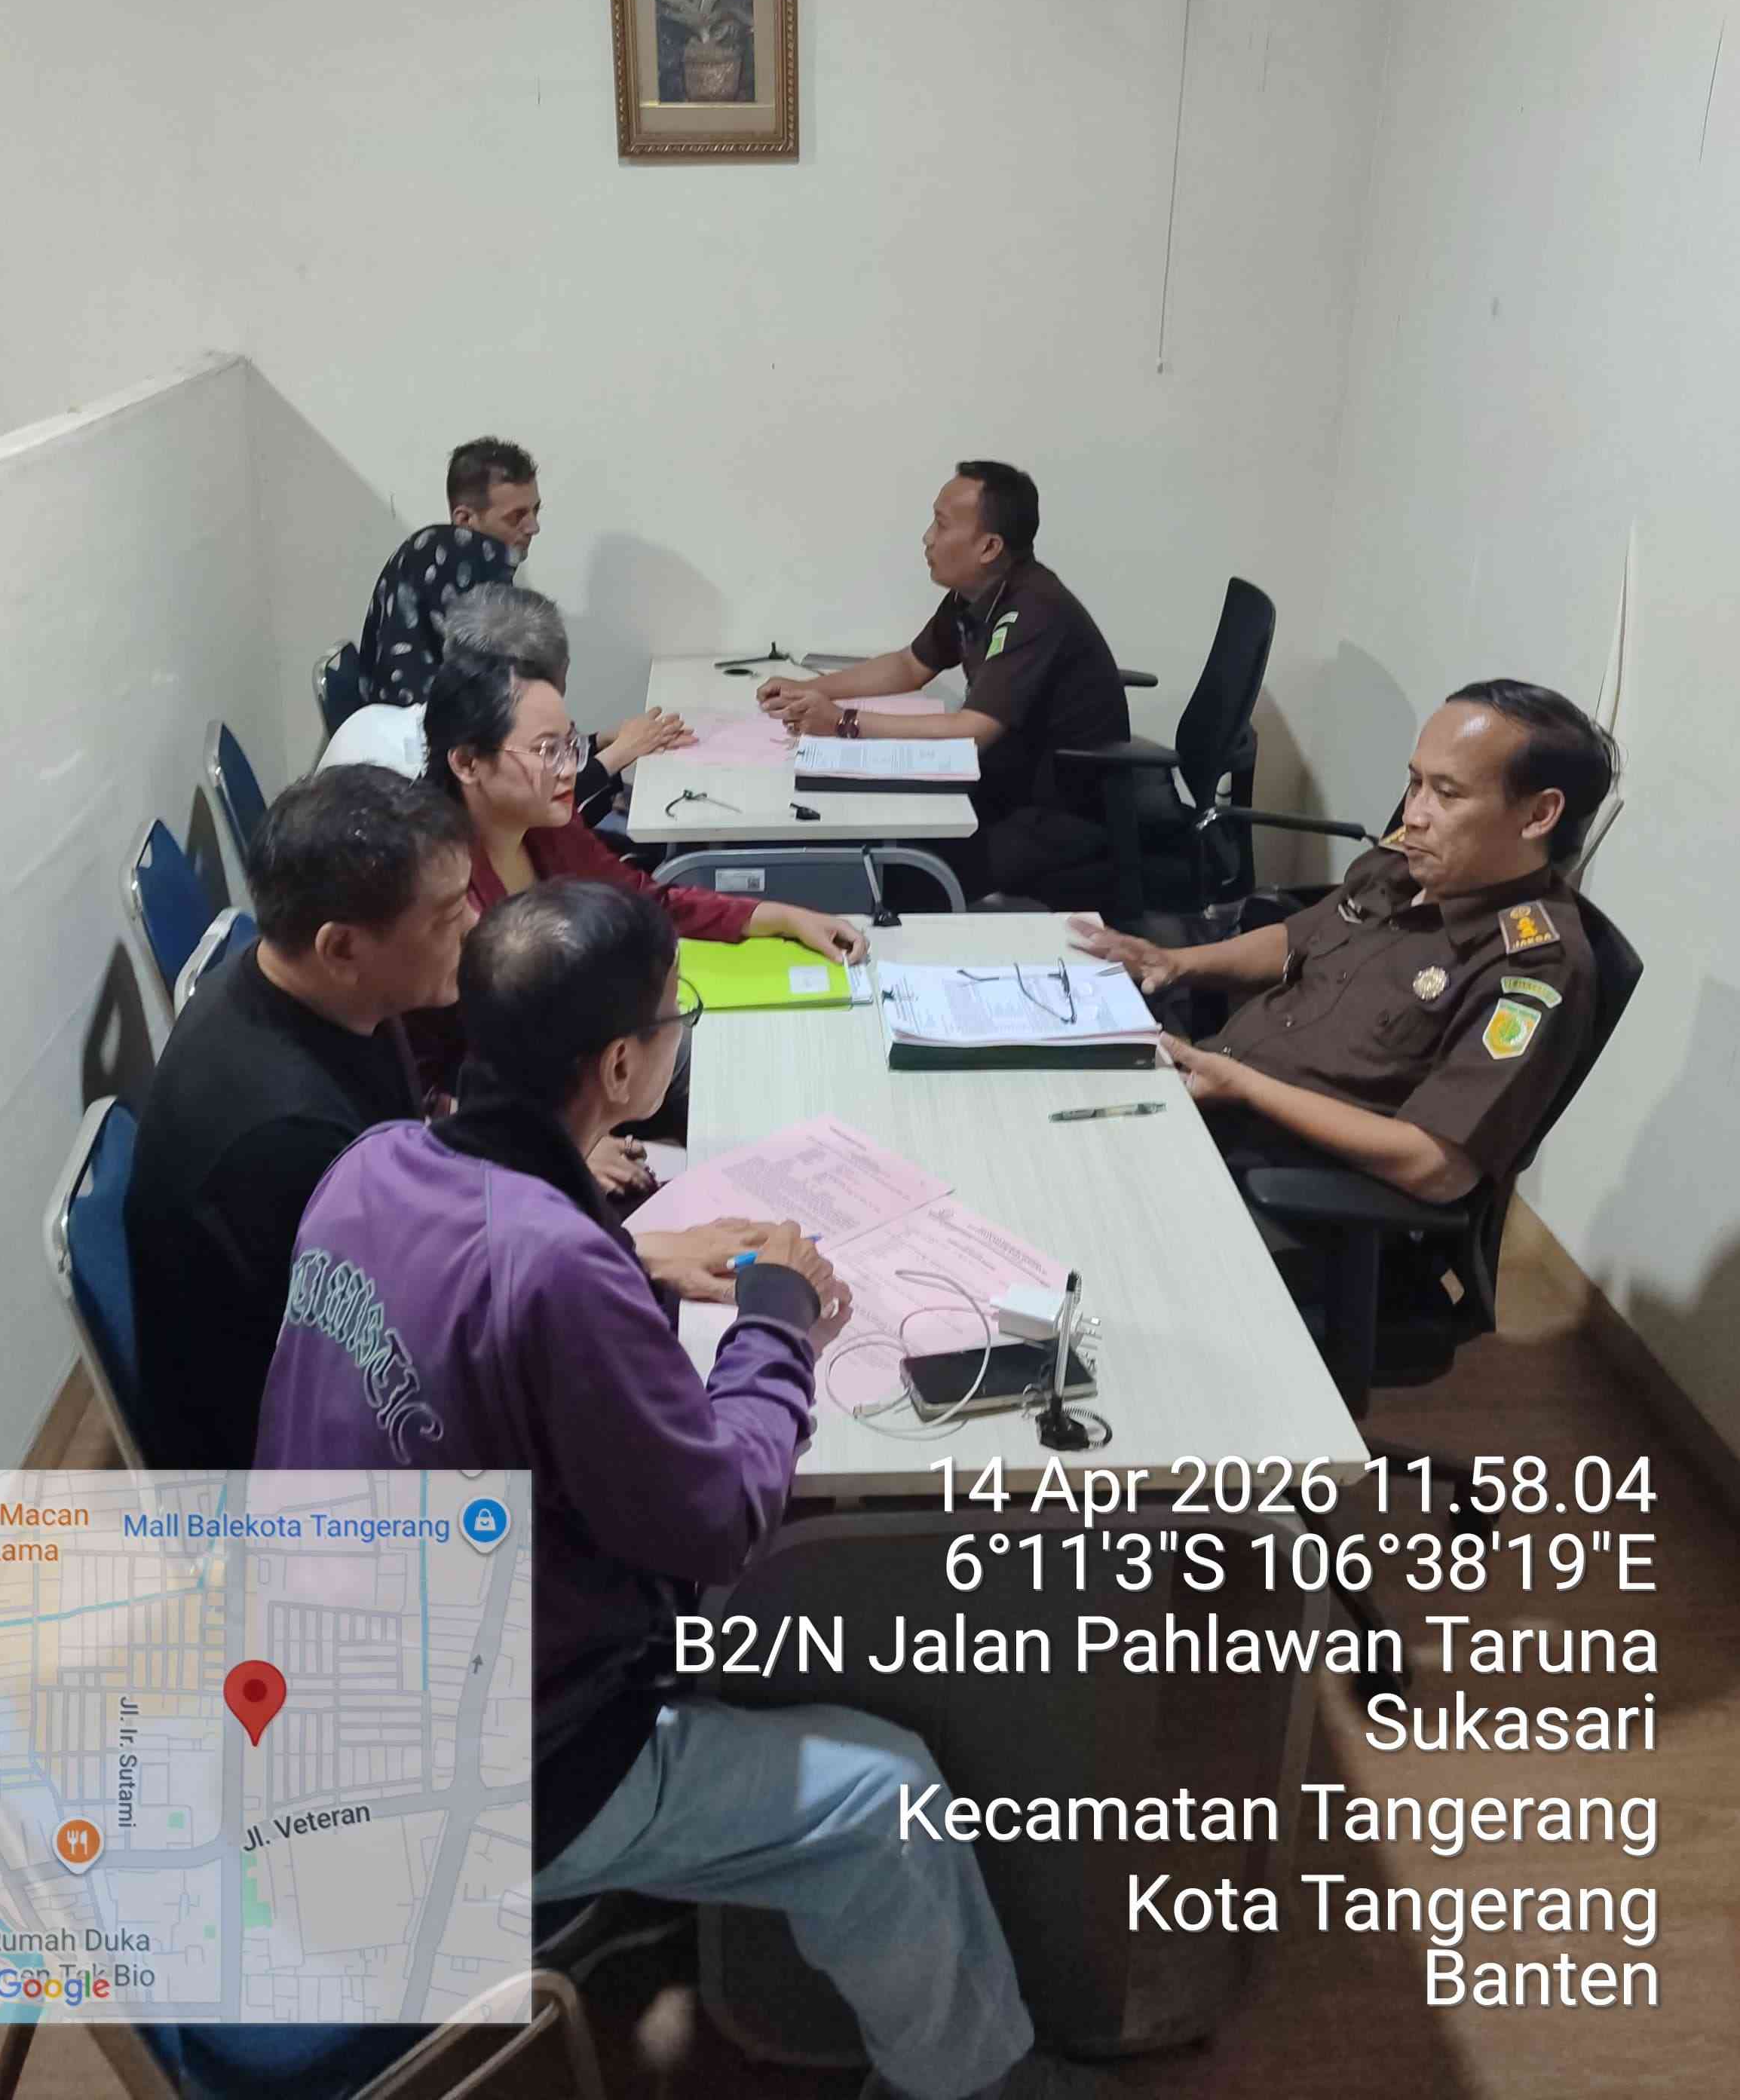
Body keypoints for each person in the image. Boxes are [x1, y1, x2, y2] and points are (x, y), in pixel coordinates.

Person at [254, 883, 1037, 2100]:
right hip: (476, 1777)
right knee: (885, 1798)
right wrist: (775, 1323)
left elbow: (481, 1290)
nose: (675, 1037)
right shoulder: (553, 1268)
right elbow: (717, 1520)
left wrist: (629, 1257)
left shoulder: (371, 1163)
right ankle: (969, 2082)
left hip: (308, 1678)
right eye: (677, 1018)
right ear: (622, 1065)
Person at [1071, 681, 1616, 1201]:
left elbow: (1436, 1167)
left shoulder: (1534, 966)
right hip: (1209, 1094)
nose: (1414, 815)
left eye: (1447, 794)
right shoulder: (1405, 865)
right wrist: (1173, 961)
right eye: (1416, 783)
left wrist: (1247, 1087)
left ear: (1538, 815)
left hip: (1278, 1172)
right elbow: (1300, 937)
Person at [125, 769, 474, 1466]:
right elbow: (409, 1343)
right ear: (340, 948)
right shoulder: (284, 1141)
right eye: (446, 916)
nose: (472, 925)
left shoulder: (320, 992)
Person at [756, 463, 1128, 902]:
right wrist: (813, 689)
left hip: (1056, 811)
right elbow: (910, 665)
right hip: (1001, 783)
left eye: (941, 524)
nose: (927, 538)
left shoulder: (1034, 609)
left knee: (899, 878)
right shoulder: (975, 596)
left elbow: (971, 733)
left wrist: (842, 722)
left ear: (989, 546)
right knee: (868, 844)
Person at [424, 648, 867, 963]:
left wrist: (785, 917)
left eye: (570, 745)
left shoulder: (547, 826)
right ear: (468, 763)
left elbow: (645, 901)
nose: (569, 768)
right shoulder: (438, 891)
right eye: (546, 751)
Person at [326, 582, 691, 815]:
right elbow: (540, 815)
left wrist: (599, 743)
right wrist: (620, 753)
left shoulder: (393, 722)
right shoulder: (433, 787)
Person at [357, 436, 542, 704]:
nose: (533, 527)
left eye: (535, 511)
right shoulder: (441, 558)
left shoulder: (461, 564)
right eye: (517, 516)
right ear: (465, 519)